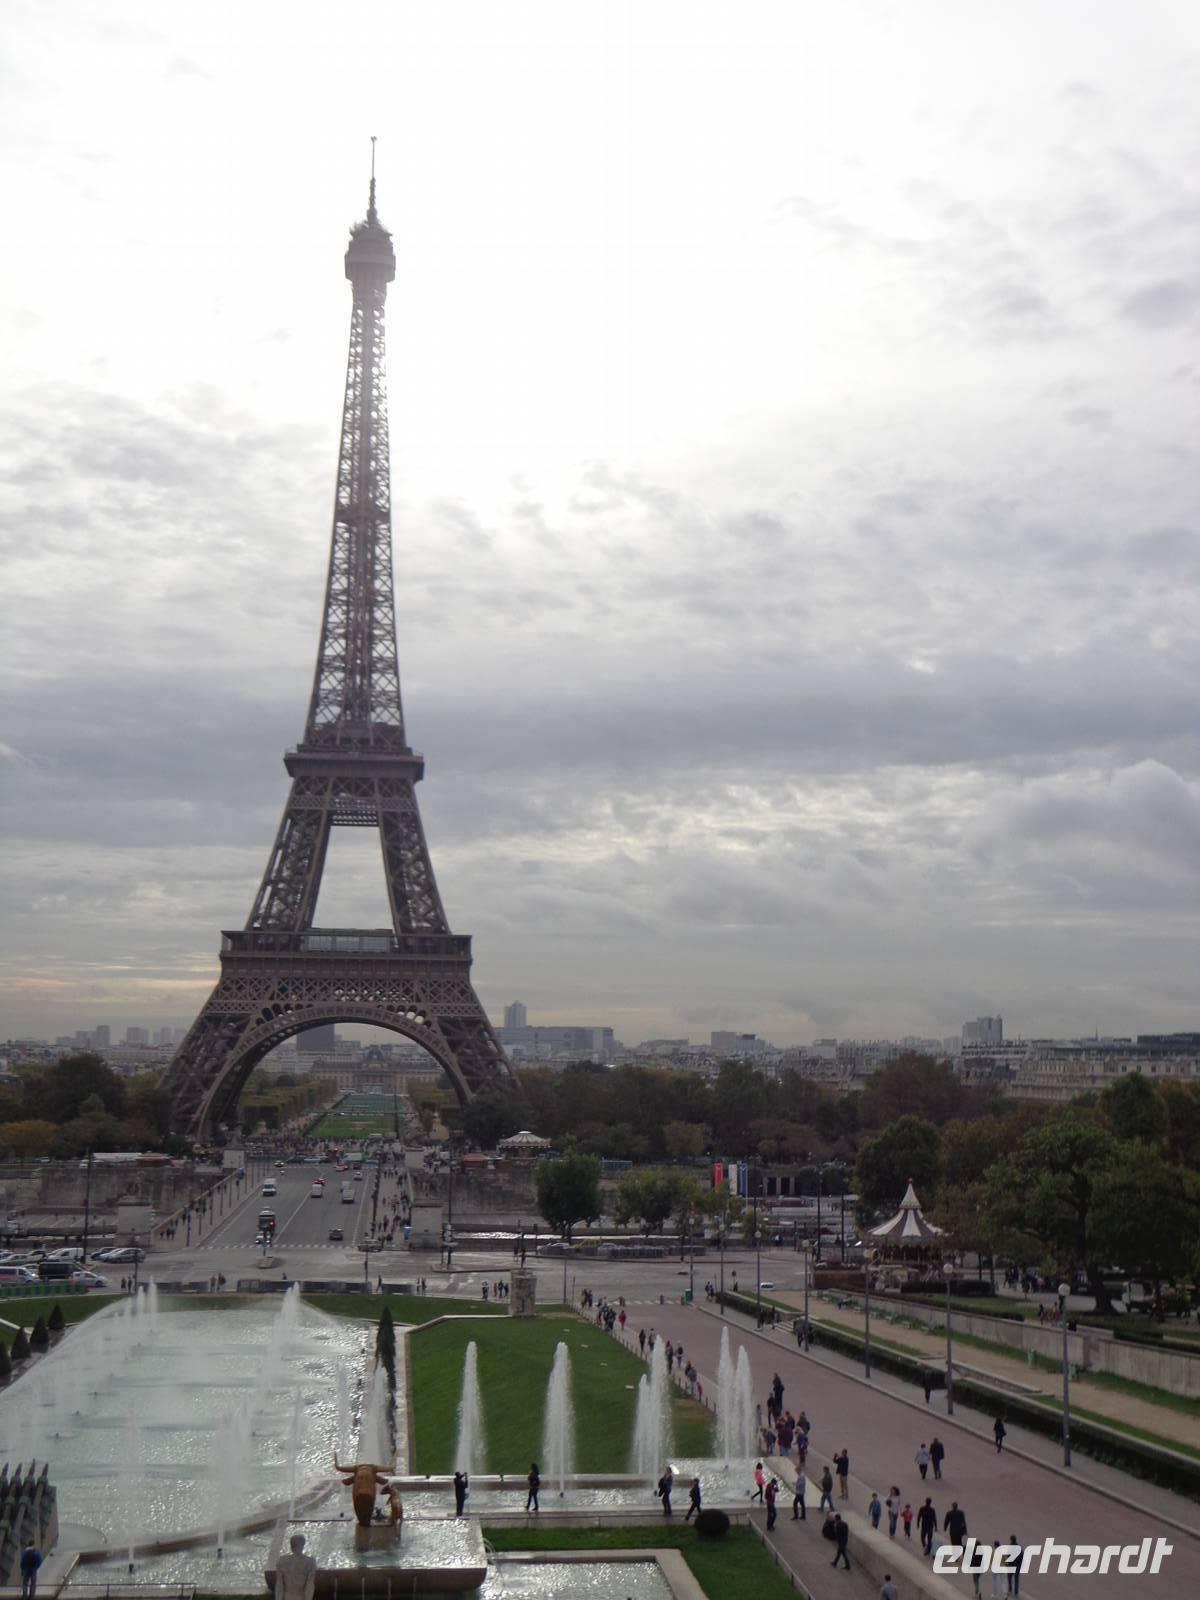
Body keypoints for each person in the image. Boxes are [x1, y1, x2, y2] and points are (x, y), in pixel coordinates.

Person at [274, 1532, 316, 1600]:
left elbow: (279, 1585)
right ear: (302, 1546)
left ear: (291, 1546)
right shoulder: (310, 1562)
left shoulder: (281, 1561)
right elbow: (309, 1586)